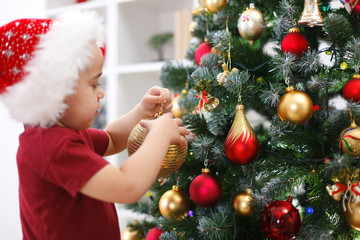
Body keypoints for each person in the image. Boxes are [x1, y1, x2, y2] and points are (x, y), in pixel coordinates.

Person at [0, 11, 189, 239]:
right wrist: (159, 135)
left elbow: (111, 139)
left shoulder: (68, 133)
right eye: (93, 84)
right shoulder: (50, 146)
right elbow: (127, 186)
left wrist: (142, 110)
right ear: (55, 93)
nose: (100, 93)